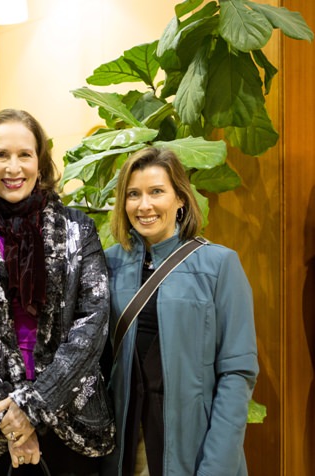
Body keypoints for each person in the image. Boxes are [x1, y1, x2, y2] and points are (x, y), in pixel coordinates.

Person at [0, 109, 115, 475]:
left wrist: (31, 410)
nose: (13, 167)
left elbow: (93, 324)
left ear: (41, 161)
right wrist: (11, 418)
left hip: (70, 421)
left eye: (25, 154)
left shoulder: (77, 231)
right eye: (0, 155)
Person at [101, 147, 258, 475]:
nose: (144, 205)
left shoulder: (218, 265)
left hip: (195, 450)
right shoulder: (108, 264)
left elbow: (237, 371)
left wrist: (217, 465)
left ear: (181, 199)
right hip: (127, 449)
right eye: (133, 194)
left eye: (156, 191)